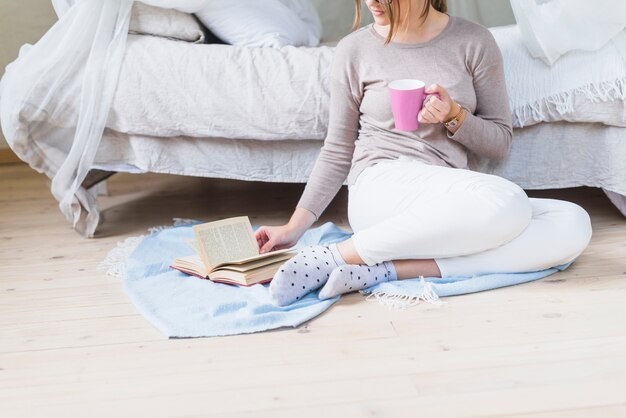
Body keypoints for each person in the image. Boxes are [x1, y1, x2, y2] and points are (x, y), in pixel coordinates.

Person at [255, 0, 592, 307]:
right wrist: (294, 227)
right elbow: (337, 150)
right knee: (509, 200)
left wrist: (454, 116)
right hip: (381, 187)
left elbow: (500, 143)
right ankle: (333, 257)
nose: (372, 1)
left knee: (572, 222)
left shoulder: (474, 42)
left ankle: (386, 270)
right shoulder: (354, 49)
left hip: (451, 197)